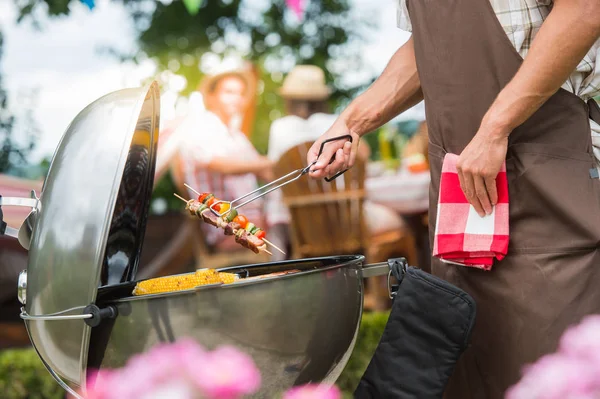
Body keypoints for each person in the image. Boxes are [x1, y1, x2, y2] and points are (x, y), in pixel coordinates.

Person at [307, 1, 600, 398]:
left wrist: (496, 127)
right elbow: (425, 47)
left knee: (551, 366)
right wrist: (352, 122)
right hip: (459, 183)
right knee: (465, 348)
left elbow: (584, 9)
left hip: (553, 169)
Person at [266, 65, 410, 310]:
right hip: (348, 223)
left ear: (289, 98)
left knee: (277, 233)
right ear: (322, 97)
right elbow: (362, 156)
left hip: (303, 227)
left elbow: (274, 170)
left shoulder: (279, 127)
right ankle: (399, 295)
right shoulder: (335, 122)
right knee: (405, 224)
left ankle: (292, 302)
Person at [156, 65, 274, 249]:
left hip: (256, 221)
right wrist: (269, 162)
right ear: (211, 97)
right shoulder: (199, 127)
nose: (237, 98)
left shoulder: (237, 136)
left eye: (241, 94)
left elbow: (265, 171)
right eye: (229, 92)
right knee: (294, 230)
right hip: (227, 231)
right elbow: (221, 165)